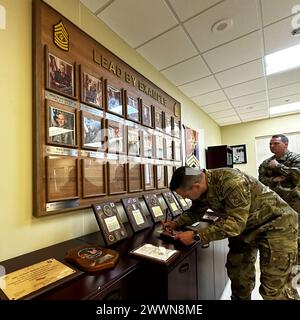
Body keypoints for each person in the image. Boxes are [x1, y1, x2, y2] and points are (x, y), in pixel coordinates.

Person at [163, 166, 299, 300]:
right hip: (246, 227)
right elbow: (195, 212)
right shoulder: (201, 185)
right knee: (238, 275)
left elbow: (235, 225)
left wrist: (197, 236)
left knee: (274, 289)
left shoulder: (232, 182)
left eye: (186, 196)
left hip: (276, 225)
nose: (186, 199)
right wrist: (176, 223)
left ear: (196, 186)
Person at [258, 134, 300, 261]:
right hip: (275, 204)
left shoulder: (296, 159)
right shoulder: (266, 163)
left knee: (297, 233)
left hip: (294, 203)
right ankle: (285, 262)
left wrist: (278, 167)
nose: (272, 146)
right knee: (279, 233)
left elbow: (297, 176)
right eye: (270, 144)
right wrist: (275, 179)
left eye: (275, 143)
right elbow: (261, 182)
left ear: (286, 144)